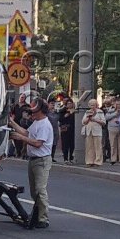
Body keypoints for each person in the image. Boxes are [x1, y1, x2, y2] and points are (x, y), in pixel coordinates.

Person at [9, 98, 54, 229]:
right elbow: (27, 132)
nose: (31, 115)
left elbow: (38, 143)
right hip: (33, 159)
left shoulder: (45, 124)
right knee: (34, 191)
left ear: (40, 111)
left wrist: (20, 138)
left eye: (33, 112)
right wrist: (12, 123)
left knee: (40, 189)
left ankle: (43, 218)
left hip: (42, 160)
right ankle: (37, 214)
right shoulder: (37, 123)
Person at [82, 98, 106, 167]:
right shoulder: (87, 112)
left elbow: (104, 122)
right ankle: (89, 161)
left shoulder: (100, 112)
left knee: (98, 147)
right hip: (89, 131)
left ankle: (98, 162)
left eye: (93, 105)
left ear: (96, 105)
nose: (92, 106)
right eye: (91, 105)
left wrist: (95, 119)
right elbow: (83, 122)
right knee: (89, 147)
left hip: (97, 132)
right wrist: (88, 119)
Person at [105, 98, 120, 165]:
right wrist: (115, 113)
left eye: (119, 104)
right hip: (112, 129)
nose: (117, 105)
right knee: (113, 145)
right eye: (116, 104)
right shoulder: (110, 110)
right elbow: (106, 118)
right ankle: (113, 159)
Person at [59, 98, 76, 164]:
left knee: (72, 144)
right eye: (68, 104)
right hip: (65, 129)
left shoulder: (74, 111)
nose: (69, 105)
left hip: (72, 129)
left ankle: (71, 157)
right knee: (65, 144)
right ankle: (65, 158)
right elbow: (60, 119)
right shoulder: (63, 111)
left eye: (71, 103)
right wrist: (65, 116)